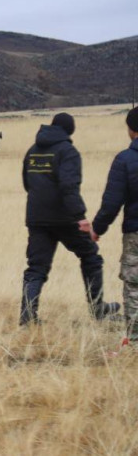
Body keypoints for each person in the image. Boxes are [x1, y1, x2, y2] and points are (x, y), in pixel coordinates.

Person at [19, 112, 120, 325]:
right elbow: (68, 186)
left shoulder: (33, 151)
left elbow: (26, 184)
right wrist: (80, 217)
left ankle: (27, 316)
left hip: (36, 218)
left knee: (36, 267)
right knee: (91, 257)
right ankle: (98, 309)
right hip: (65, 219)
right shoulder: (68, 151)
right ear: (69, 131)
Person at [92, 107, 138, 342]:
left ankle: (136, 339)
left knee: (134, 285)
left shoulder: (125, 160)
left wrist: (97, 229)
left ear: (131, 130)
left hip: (135, 233)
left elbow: (111, 203)